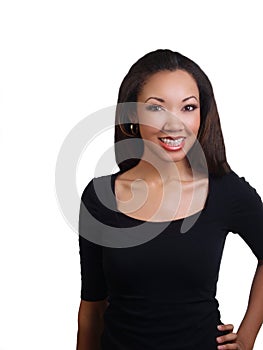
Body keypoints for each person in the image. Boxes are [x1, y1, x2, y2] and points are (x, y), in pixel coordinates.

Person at [76, 49, 263, 350]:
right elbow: (92, 310)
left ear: (203, 115)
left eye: (188, 108)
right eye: (157, 108)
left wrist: (247, 336)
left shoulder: (226, 192)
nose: (174, 124)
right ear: (131, 115)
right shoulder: (100, 198)